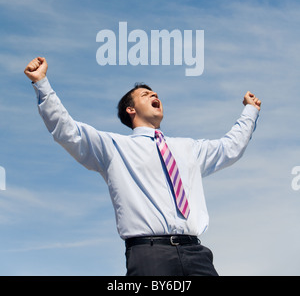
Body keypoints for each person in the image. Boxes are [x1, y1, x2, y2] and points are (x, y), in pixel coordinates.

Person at [24, 56, 261, 276]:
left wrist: (250, 111)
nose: (154, 94)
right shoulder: (114, 147)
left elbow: (229, 148)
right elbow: (68, 131)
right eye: (146, 94)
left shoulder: (188, 148)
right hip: (150, 255)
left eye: (154, 93)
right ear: (131, 109)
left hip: (196, 253)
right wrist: (42, 84)